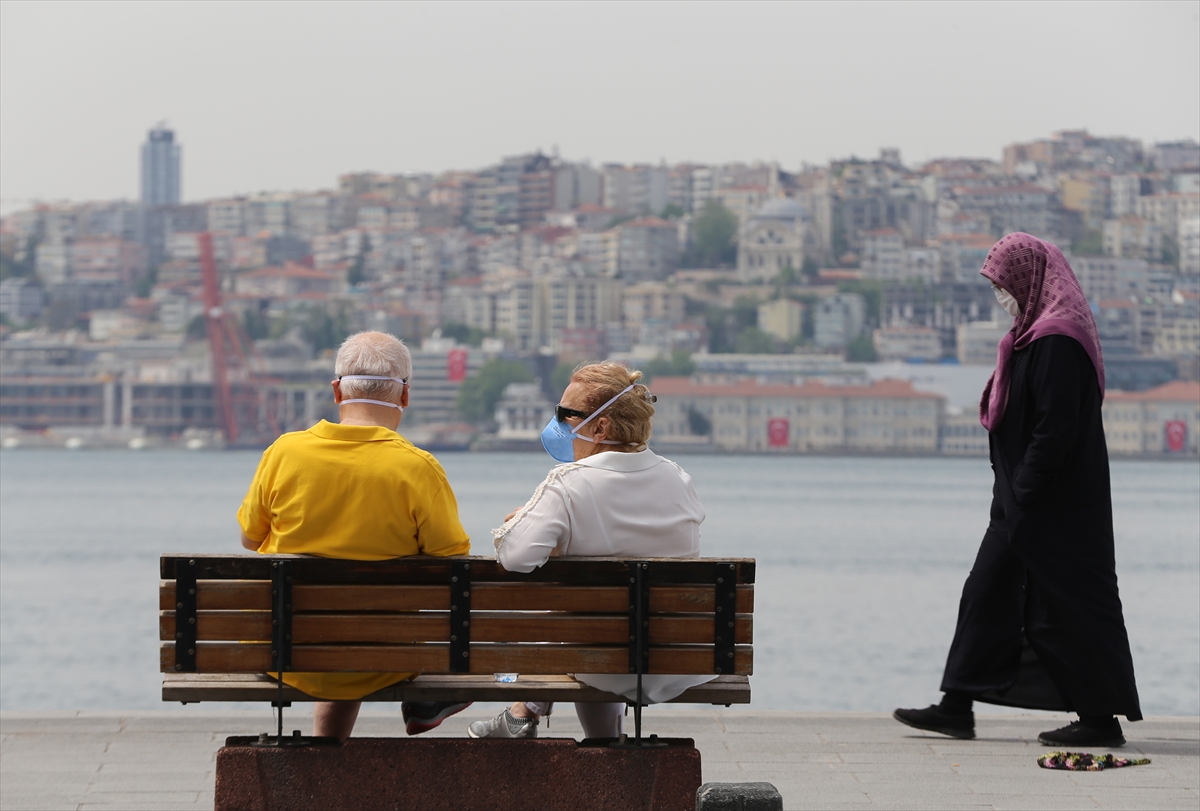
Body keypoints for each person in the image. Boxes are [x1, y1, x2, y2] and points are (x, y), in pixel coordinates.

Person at [894, 233, 1141, 747]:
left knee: (1071, 604)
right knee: (987, 593)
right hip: (1020, 503)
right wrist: (1012, 496)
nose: (1000, 296)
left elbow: (1054, 430)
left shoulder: (1057, 340)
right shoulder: (1031, 337)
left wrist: (1024, 491)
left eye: (1004, 285)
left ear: (1030, 280)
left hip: (1054, 506)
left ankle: (1100, 719)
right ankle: (956, 705)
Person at [237, 331, 473, 741]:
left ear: (335, 391)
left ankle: (328, 750)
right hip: (382, 655)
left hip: (285, 652)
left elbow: (250, 539)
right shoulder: (417, 468)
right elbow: (450, 560)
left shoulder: (282, 453)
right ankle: (429, 702)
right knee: (369, 628)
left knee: (330, 625)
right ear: (404, 397)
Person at [467, 361, 711, 740]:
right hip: (678, 659)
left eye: (566, 415)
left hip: (600, 658)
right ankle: (589, 738)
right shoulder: (678, 479)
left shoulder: (569, 483)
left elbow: (515, 558)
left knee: (591, 629)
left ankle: (523, 710)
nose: (559, 424)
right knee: (604, 623)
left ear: (600, 426)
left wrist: (527, 521)